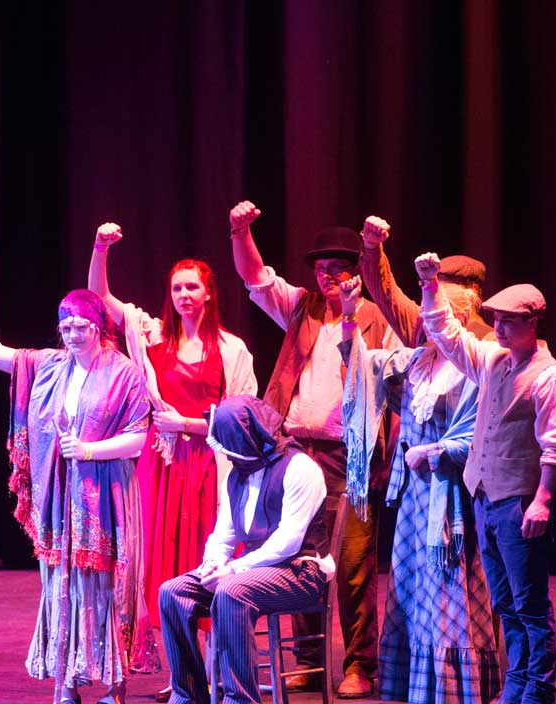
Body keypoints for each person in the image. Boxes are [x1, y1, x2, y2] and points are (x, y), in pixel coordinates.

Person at [229, 200, 398, 697]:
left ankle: (359, 664)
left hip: (352, 456)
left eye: (338, 269)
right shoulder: (301, 306)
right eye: (321, 269)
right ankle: (306, 660)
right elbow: (256, 276)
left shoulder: (376, 317)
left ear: (357, 274)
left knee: (352, 563)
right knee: (299, 558)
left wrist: (354, 310)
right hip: (295, 454)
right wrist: (240, 232)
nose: (327, 277)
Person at [88, 223, 258, 698]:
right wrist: (101, 248)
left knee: (205, 562)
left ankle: (215, 672)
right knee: (161, 567)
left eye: (192, 287)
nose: (184, 295)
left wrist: (185, 425)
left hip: (208, 468)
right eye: (177, 287)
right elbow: (100, 299)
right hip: (160, 471)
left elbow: (242, 420)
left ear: (208, 293)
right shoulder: (152, 336)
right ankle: (179, 674)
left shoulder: (231, 349)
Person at [0, 281, 153, 704]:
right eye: (65, 327)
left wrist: (89, 450)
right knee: (61, 586)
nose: (71, 334)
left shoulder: (123, 373)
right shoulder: (50, 366)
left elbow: (139, 437)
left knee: (104, 587)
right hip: (59, 498)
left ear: (99, 327)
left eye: (80, 326)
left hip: (104, 497)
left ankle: (114, 686)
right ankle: (64, 684)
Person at [415, 253, 556, 704]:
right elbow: (450, 337)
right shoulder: (494, 362)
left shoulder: (549, 378)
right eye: (497, 321)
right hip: (486, 497)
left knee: (530, 605)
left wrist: (542, 500)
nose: (498, 329)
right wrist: (430, 287)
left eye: (508, 322)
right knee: (505, 602)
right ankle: (517, 682)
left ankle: (538, 688)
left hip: (518, 501)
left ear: (533, 323)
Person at [337, 273, 500, 704]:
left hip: (451, 500)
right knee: (411, 590)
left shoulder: (475, 367)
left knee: (448, 593)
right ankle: (416, 687)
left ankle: (452, 691)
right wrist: (350, 319)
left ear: (457, 316)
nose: (424, 321)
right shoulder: (416, 363)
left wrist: (434, 453)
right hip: (414, 500)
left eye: (434, 311)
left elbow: (479, 437)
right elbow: (362, 369)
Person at [158, 395, 331, 704]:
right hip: (250, 572)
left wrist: (234, 569)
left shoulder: (300, 469)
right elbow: (223, 532)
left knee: (232, 591)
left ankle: (240, 699)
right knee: (173, 592)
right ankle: (188, 695)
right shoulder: (235, 476)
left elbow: (288, 541)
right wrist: (212, 563)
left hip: (300, 572)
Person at [358, 216, 493, 346]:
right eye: (435, 285)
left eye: (446, 288)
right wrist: (372, 247)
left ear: (472, 290)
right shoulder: (422, 325)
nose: (437, 295)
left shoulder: (489, 341)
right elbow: (387, 294)